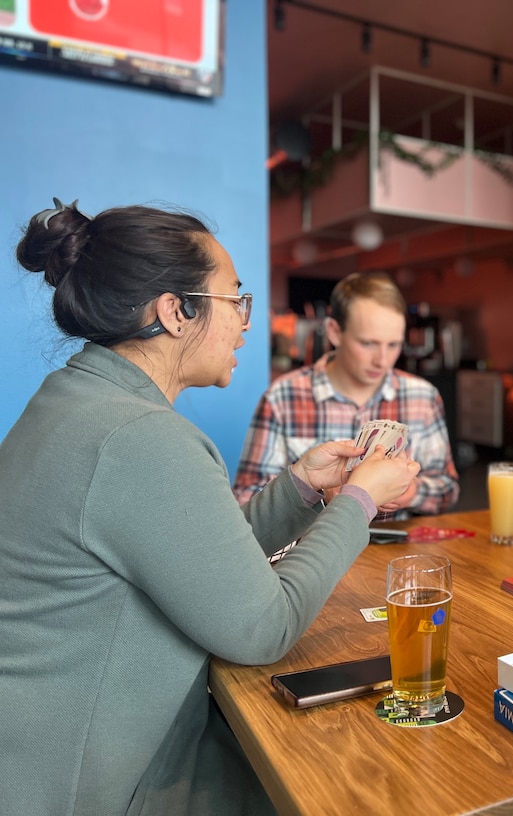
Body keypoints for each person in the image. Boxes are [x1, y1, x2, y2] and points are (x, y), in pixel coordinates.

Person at [0, 199, 420, 815]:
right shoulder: (139, 436)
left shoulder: (77, 399)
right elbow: (263, 626)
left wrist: (303, 487)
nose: (247, 322)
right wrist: (361, 499)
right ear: (175, 311)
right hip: (88, 783)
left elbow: (197, 559)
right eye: (235, 299)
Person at [233, 271, 458, 519]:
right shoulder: (283, 397)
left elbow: (447, 489)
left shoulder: (423, 397)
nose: (382, 360)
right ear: (334, 332)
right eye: (368, 344)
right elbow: (246, 501)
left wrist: (411, 490)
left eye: (393, 345)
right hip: (313, 551)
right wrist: (317, 491)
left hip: (396, 551)